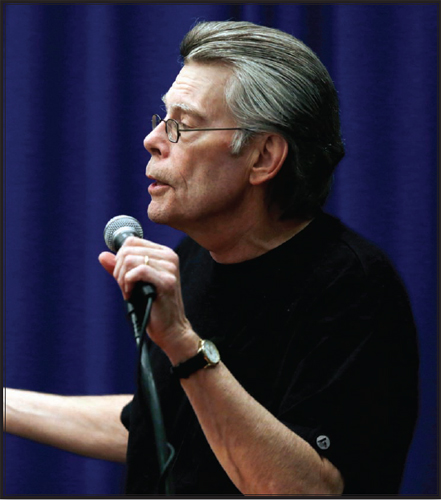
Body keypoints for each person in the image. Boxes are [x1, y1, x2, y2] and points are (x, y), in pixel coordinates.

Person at [3, 20, 418, 495]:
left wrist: (183, 343)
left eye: (184, 125)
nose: (154, 139)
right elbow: (161, 430)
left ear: (263, 157)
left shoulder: (355, 287)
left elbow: (306, 487)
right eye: (162, 119)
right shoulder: (198, 257)